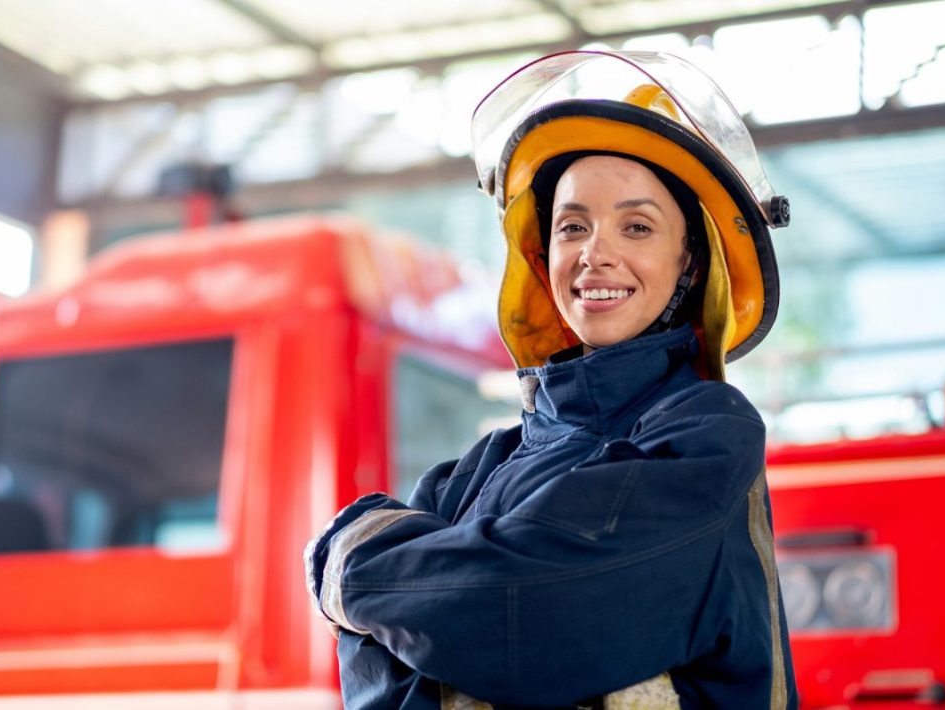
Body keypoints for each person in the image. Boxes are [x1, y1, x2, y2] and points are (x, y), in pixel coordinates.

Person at [305, 50, 798, 709]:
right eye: (573, 226)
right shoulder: (477, 470)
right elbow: (388, 680)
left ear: (689, 262)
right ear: (542, 254)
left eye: (637, 226)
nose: (596, 251)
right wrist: (415, 602)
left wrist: (354, 566)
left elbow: (522, 611)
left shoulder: (707, 435)